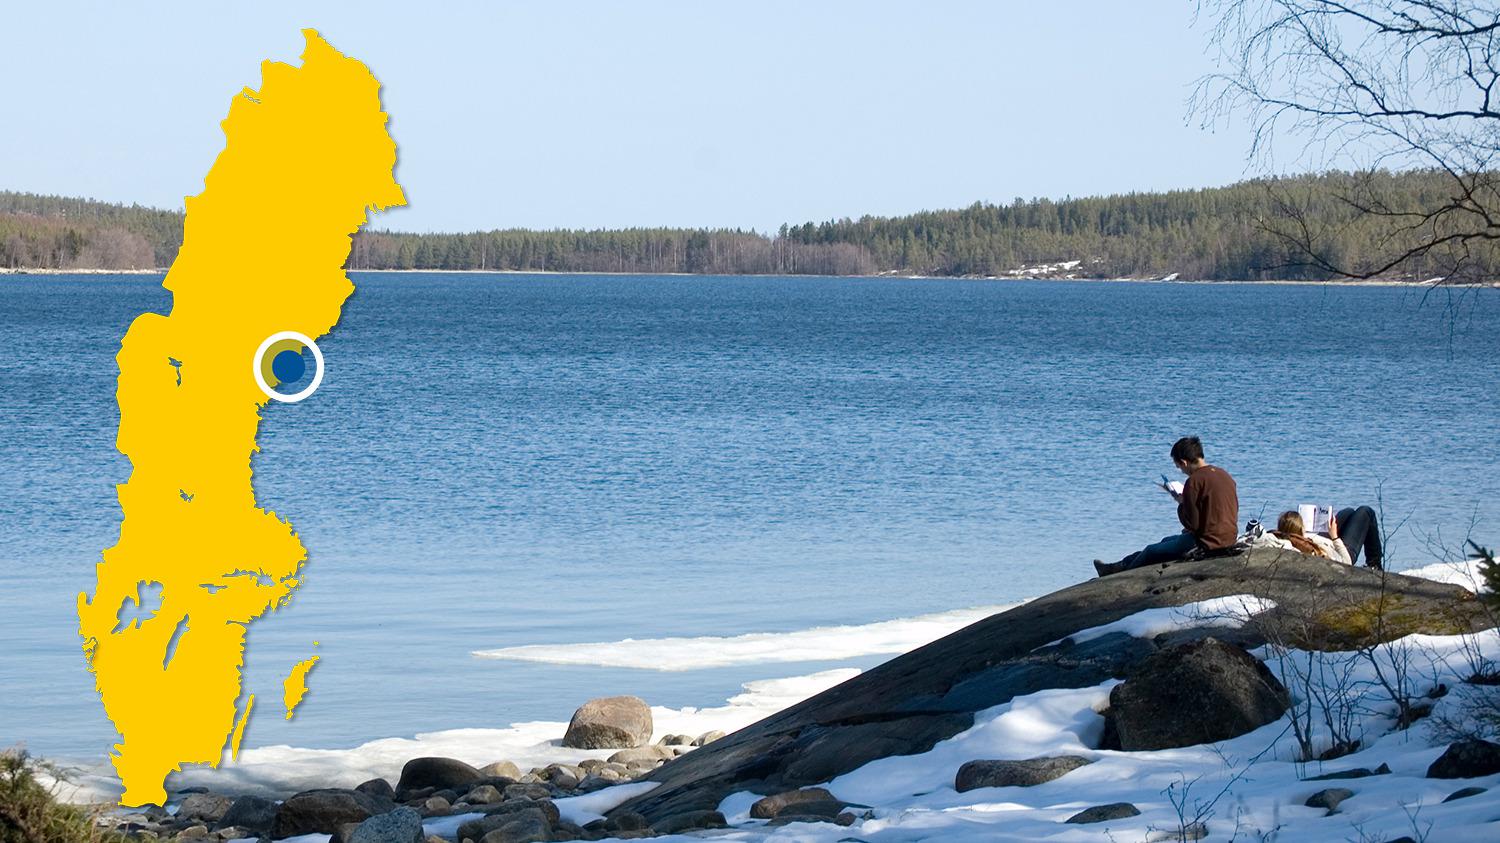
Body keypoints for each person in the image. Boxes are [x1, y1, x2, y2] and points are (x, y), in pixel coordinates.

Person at [1094, 436, 1239, 577]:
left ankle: (1120, 575)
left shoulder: (1194, 481)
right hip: (1229, 538)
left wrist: (1181, 503)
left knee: (1151, 551)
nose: (1181, 471)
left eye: (1179, 467)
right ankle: (1116, 566)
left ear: (1184, 462)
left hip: (1206, 543)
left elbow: (1192, 523)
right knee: (1165, 541)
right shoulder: (1224, 474)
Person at [1271, 510, 1352, 564]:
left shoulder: (1281, 539)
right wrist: (1334, 537)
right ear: (1301, 528)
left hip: (1318, 539)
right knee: (1363, 511)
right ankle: (1365, 565)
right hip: (1341, 550)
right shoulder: (1312, 550)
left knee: (1348, 512)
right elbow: (1347, 562)